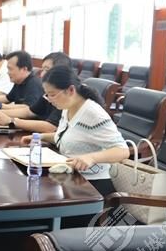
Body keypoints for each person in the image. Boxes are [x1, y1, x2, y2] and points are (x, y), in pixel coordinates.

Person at [21, 66, 128, 195]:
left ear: (71, 90)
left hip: (92, 184)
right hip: (70, 177)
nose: (49, 100)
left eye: (52, 95)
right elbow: (68, 137)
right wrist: (40, 137)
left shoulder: (93, 114)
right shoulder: (67, 107)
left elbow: (123, 151)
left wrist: (92, 158)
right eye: (47, 95)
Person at [0, 52, 70, 133]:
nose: (42, 74)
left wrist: (11, 121)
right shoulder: (48, 93)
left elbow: (51, 127)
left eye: (47, 70)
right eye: (42, 70)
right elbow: (29, 111)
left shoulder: (66, 94)